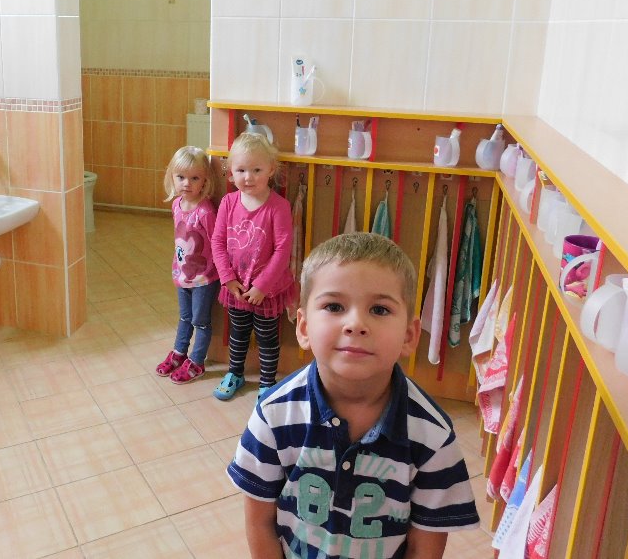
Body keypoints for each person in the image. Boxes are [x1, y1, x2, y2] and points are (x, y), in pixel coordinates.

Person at [228, 232, 480, 558]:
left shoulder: (433, 436)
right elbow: (259, 522)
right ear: (303, 328)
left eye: (379, 309)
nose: (356, 324)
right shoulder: (273, 415)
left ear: (409, 336)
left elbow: (426, 545)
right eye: (334, 306)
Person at [211, 132, 296, 401]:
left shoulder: (279, 207)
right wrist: (227, 278)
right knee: (238, 332)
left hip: (267, 291)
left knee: (267, 337)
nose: (248, 177)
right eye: (241, 170)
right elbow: (217, 242)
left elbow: (283, 250)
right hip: (236, 287)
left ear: (271, 169)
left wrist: (262, 286)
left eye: (256, 170)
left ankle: (267, 382)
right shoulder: (228, 203)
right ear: (230, 172)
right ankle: (235, 373)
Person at [155, 146, 221, 384]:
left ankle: (197, 361)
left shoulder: (205, 211)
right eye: (181, 177)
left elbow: (217, 243)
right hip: (182, 274)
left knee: (200, 321)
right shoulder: (176, 205)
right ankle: (179, 352)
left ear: (204, 181)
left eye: (194, 178)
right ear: (172, 177)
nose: (186, 183)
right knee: (184, 317)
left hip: (204, 278)